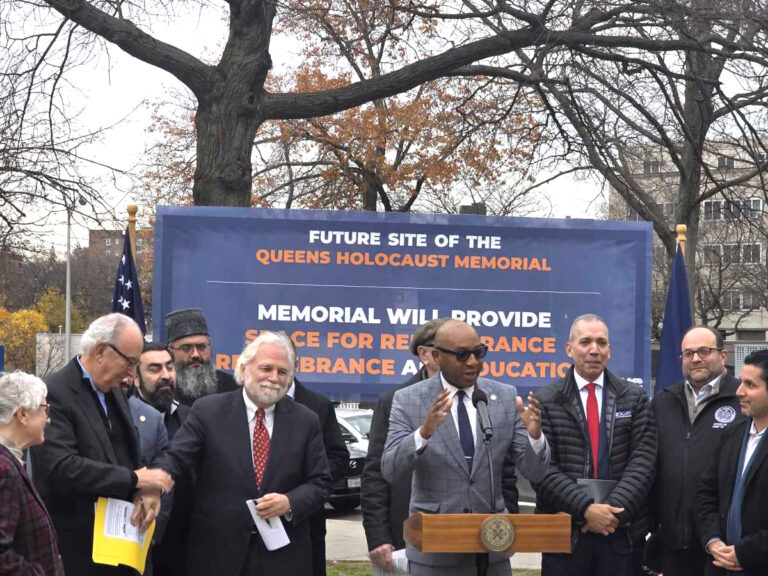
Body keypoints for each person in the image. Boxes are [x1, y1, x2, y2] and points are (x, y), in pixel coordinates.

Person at [150, 331, 332, 576]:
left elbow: (321, 482)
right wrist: (152, 483)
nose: (274, 378)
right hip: (218, 557)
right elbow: (176, 457)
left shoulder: (306, 420)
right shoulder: (208, 411)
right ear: (244, 369)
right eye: (266, 368)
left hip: (283, 560)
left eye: (282, 372)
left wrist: (290, 502)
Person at [381, 319, 549, 576]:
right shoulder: (409, 399)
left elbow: (535, 473)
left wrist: (535, 438)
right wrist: (424, 433)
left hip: (492, 549)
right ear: (437, 356)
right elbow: (390, 469)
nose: (473, 362)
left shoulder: (504, 396)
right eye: (462, 355)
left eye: (478, 352)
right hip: (434, 552)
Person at [30, 313, 173, 576]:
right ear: (100, 352)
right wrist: (133, 479)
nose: (132, 373)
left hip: (121, 551)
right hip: (77, 554)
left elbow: (131, 454)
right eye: (130, 362)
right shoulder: (53, 392)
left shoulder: (114, 390)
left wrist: (147, 490)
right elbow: (62, 467)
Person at [534, 314, 657, 576]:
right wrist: (586, 510)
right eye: (585, 342)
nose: (594, 350)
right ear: (569, 349)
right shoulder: (546, 400)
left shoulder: (633, 398)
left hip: (621, 533)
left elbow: (644, 461)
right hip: (566, 537)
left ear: (609, 350)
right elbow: (542, 469)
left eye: (601, 343)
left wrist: (611, 513)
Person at [649, 326, 743, 576]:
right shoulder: (663, 402)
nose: (696, 359)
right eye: (688, 353)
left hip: (724, 547)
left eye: (704, 351)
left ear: (723, 355)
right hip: (672, 544)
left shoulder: (742, 400)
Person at [363, 318, 447, 572]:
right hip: (406, 534)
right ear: (425, 354)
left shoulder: (483, 399)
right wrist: (378, 537)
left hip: (466, 535)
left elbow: (502, 471)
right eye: (449, 347)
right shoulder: (395, 401)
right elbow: (375, 473)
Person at [695, 348, 768, 576]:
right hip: (721, 566)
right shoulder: (732, 434)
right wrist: (713, 541)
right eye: (740, 382)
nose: (739, 392)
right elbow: (705, 493)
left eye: (750, 385)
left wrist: (746, 552)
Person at [286, 340, 349, 576]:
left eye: (283, 364)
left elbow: (338, 458)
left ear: (296, 365)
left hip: (306, 522)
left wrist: (305, 491)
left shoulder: (318, 405)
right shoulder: (246, 404)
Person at [133, 341, 192, 576]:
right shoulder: (123, 419)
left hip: (183, 553)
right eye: (154, 369)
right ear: (135, 377)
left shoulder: (192, 419)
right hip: (136, 543)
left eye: (169, 367)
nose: (166, 375)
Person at [0, 371, 65, 576]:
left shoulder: (9, 462)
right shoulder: (4, 469)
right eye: (45, 409)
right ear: (23, 415)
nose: (48, 419)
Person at [165, 308, 239, 405]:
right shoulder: (164, 391)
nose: (195, 354)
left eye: (201, 347)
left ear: (210, 349)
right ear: (171, 353)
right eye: (186, 348)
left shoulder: (232, 388)